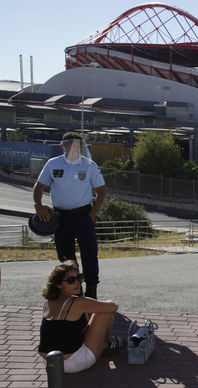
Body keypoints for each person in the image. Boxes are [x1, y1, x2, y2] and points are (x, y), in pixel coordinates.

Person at [33, 132, 106, 299]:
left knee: (89, 252)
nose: (72, 148)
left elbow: (101, 192)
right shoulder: (53, 164)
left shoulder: (89, 165)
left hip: (83, 215)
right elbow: (39, 186)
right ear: (62, 146)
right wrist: (38, 205)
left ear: (81, 147)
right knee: (65, 256)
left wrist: (92, 214)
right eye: (69, 145)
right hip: (61, 217)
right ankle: (73, 290)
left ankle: (92, 289)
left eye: (76, 145)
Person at [37, 260, 121, 374]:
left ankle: (106, 344)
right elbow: (113, 306)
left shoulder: (49, 302)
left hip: (49, 362)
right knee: (105, 312)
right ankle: (107, 344)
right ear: (58, 284)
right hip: (72, 363)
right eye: (71, 280)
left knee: (96, 311)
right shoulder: (77, 303)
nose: (77, 283)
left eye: (79, 278)